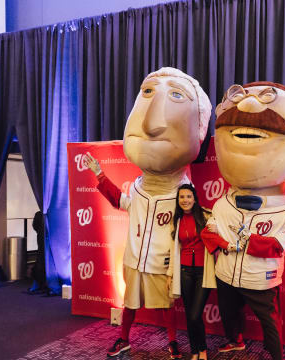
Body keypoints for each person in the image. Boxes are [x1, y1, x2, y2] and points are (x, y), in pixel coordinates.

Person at [83, 67, 212, 359]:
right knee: (130, 302)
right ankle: (124, 338)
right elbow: (121, 200)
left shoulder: (183, 194)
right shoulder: (139, 189)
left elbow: (191, 229)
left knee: (166, 305)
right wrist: (100, 175)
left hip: (160, 261)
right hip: (134, 257)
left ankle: (171, 341)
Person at [201, 81, 285, 360]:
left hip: (261, 279)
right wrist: (227, 245)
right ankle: (234, 340)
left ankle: (276, 354)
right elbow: (210, 231)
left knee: (269, 321)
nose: (250, 104)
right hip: (228, 273)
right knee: (229, 312)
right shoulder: (223, 203)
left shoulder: (283, 211)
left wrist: (246, 242)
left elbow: (278, 245)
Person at [167, 184, 214, 360]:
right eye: (181, 197)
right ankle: (196, 351)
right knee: (189, 314)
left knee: (195, 314)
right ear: (178, 201)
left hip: (203, 271)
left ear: (194, 198)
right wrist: (170, 274)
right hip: (184, 271)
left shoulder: (206, 215)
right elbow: (173, 249)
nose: (185, 200)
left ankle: (202, 348)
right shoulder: (177, 220)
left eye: (188, 196)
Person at [26, 210, 48, 295]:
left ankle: (38, 284)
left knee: (40, 258)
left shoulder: (39, 214)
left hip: (40, 239)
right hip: (46, 240)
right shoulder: (48, 215)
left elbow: (34, 225)